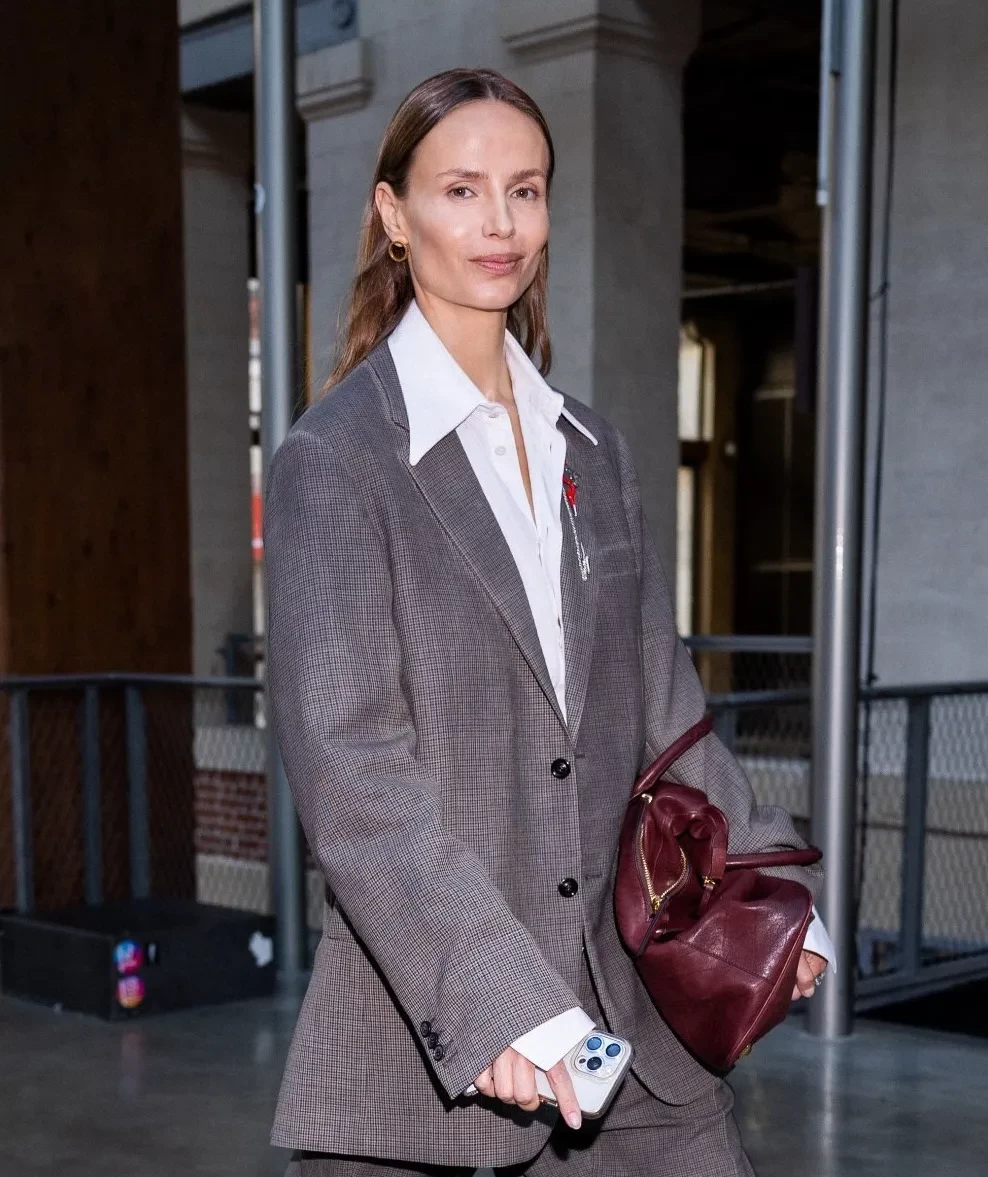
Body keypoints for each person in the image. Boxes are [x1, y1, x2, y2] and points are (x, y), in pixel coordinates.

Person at [264, 68, 832, 1177]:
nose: (500, 223)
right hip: (432, 1048)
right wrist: (499, 999)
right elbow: (352, 775)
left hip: (636, 1024)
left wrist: (762, 889)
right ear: (393, 215)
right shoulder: (336, 460)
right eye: (462, 190)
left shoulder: (595, 449)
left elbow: (665, 709)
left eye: (524, 191)